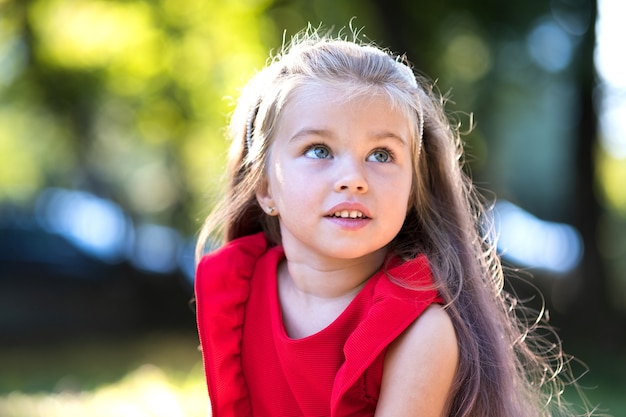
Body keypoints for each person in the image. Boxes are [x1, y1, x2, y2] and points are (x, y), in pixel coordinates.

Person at [194, 26, 596, 417]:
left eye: (381, 154)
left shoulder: (419, 330)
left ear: (413, 188)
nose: (353, 178)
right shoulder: (236, 288)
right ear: (265, 187)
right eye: (318, 150)